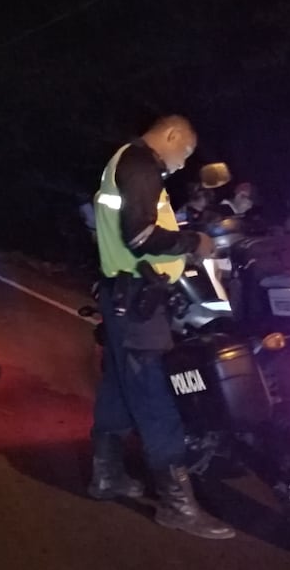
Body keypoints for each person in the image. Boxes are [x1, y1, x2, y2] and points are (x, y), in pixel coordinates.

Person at [89, 115, 235, 540]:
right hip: (137, 303)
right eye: (185, 152)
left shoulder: (125, 162)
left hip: (124, 298)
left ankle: (106, 476)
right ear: (171, 136)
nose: (182, 162)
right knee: (154, 396)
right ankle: (177, 505)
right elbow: (139, 237)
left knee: (119, 386)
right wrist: (192, 243)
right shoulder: (140, 164)